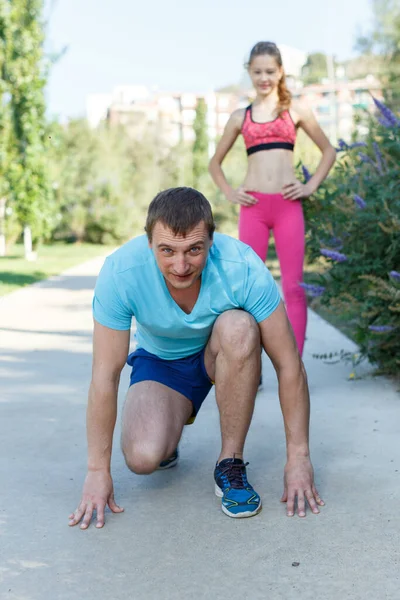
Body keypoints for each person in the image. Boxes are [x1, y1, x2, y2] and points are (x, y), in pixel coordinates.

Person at [68, 187, 324, 530]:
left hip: (223, 354)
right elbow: (105, 375)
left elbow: (289, 364)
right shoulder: (121, 272)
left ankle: (230, 463)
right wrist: (97, 471)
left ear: (211, 242)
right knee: (143, 458)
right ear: (149, 244)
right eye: (167, 251)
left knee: (239, 326)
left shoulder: (242, 267)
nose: (181, 264)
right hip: (162, 363)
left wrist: (299, 457)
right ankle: (170, 431)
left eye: (194, 249)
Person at [209, 41, 336, 356]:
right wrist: (229, 191)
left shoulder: (295, 110)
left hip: (287, 206)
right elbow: (214, 164)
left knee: (293, 288)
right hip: (253, 208)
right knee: (249, 288)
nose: (263, 77)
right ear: (249, 73)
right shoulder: (241, 117)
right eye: (257, 72)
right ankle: (249, 363)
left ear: (280, 72)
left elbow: (329, 151)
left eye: (270, 71)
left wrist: (309, 186)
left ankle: (293, 363)